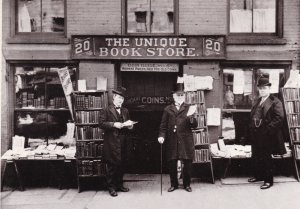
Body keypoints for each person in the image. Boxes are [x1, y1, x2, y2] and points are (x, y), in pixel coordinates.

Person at [158, 83, 198, 192]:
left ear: (184, 97)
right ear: (174, 97)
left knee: (188, 163)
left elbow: (195, 125)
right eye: (178, 95)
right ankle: (174, 184)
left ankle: (187, 185)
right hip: (172, 139)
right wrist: (161, 136)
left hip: (186, 140)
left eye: (182, 95)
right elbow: (163, 125)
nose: (180, 97)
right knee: (172, 163)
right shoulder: (168, 109)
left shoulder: (189, 108)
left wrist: (191, 118)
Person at [248, 77, 286, 189]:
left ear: (269, 88)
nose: (262, 90)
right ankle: (259, 176)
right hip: (256, 133)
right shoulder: (257, 101)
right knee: (256, 156)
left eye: (264, 88)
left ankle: (268, 181)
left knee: (266, 157)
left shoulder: (275, 101)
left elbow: (279, 118)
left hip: (268, 134)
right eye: (260, 88)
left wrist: (267, 130)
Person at [99, 87, 135, 197]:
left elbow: (128, 123)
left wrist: (130, 126)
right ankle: (111, 188)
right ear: (114, 97)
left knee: (121, 165)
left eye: (122, 98)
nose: (120, 100)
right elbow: (101, 124)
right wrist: (114, 124)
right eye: (119, 98)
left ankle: (119, 185)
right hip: (111, 142)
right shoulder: (106, 110)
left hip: (123, 142)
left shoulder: (125, 111)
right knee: (112, 166)